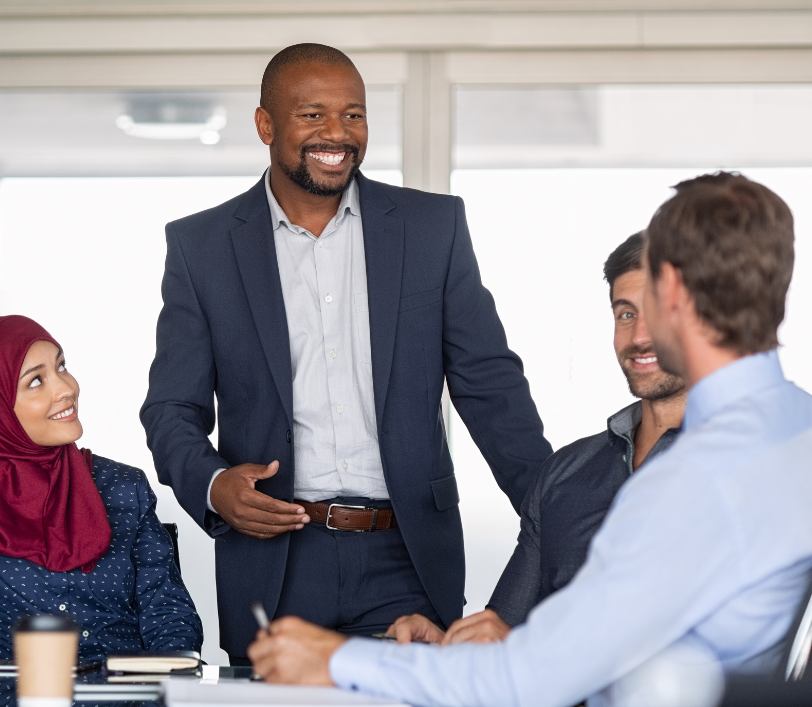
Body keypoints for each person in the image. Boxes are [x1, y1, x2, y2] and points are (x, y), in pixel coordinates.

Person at [248, 172, 812, 707]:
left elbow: (532, 682)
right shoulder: (797, 429)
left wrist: (340, 659)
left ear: (674, 298)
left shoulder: (687, 481)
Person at [140, 42, 551, 662]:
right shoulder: (203, 247)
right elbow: (171, 408)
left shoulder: (431, 227)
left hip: (406, 557)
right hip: (275, 560)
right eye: (312, 115)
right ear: (266, 125)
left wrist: (561, 511)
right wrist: (213, 482)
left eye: (354, 115)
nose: (338, 132)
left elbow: (489, 385)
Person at [388, 232, 687, 646]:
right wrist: (446, 648)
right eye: (625, 314)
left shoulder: (753, 467)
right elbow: (502, 633)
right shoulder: (566, 474)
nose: (638, 337)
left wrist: (524, 651)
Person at [0, 315, 202, 662]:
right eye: (36, 381)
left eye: (62, 366)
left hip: (126, 695)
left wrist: (171, 676)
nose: (67, 388)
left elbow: (168, 610)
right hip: (5, 696)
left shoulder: (125, 487)